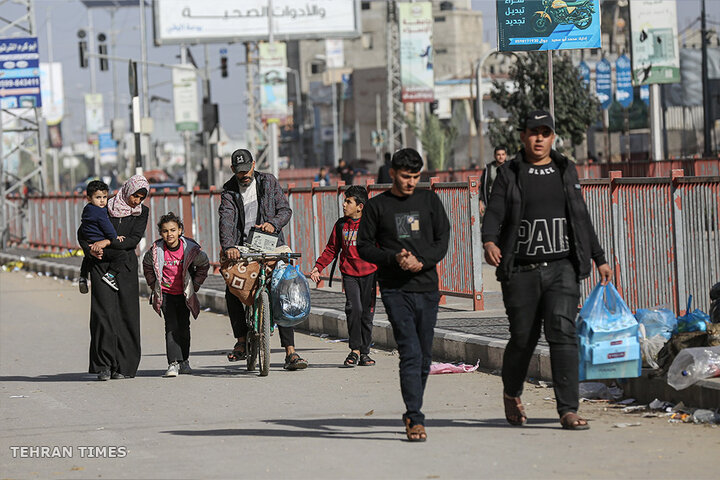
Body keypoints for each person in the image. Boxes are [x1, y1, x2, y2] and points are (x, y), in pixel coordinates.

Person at [481, 110, 613, 430]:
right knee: (523, 338)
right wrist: (489, 241)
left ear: (553, 137)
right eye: (533, 132)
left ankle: (568, 409)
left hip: (562, 267)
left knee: (563, 333)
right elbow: (495, 210)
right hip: (521, 270)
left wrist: (599, 257)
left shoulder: (565, 169)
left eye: (545, 132)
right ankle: (511, 392)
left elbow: (580, 216)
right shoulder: (510, 172)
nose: (539, 138)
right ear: (523, 136)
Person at [357, 147, 450, 442]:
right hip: (396, 289)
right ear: (393, 173)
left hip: (427, 287)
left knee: (423, 357)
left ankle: (413, 411)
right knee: (409, 352)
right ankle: (415, 416)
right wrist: (394, 257)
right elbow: (364, 247)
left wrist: (422, 262)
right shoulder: (377, 207)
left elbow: (442, 239)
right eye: (405, 176)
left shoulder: (429, 200)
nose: (410, 182)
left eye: (415, 177)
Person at [219, 148, 309, 371]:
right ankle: (241, 341)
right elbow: (226, 221)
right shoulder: (229, 191)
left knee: (282, 288)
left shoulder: (268, 182)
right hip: (242, 248)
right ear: (233, 171)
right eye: (239, 172)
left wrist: (274, 224)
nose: (244, 175)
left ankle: (290, 352)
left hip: (272, 244)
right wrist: (229, 247)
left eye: (247, 169)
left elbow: (285, 210)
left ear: (253, 164)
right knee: (231, 288)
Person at [78, 175, 150, 381]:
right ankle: (104, 366)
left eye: (141, 198)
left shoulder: (141, 213)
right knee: (103, 315)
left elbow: (133, 240)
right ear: (127, 190)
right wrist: (91, 250)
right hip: (100, 265)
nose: (136, 201)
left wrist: (106, 243)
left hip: (125, 267)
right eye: (135, 196)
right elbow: (83, 233)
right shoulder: (103, 205)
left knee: (127, 314)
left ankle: (124, 365)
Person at [310, 186, 378, 368]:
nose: (344, 204)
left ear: (360, 206)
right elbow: (332, 249)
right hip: (349, 275)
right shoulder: (341, 224)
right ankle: (354, 350)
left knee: (367, 314)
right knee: (353, 309)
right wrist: (318, 267)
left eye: (349, 201)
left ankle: (364, 353)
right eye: (345, 200)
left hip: (370, 275)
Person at [143, 212, 210, 377]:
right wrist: (154, 285)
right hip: (166, 294)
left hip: (184, 294)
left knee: (184, 327)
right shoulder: (156, 250)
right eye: (165, 231)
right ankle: (173, 363)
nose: (169, 234)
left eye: (173, 230)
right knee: (171, 327)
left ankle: (184, 361)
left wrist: (195, 285)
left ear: (180, 230)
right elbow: (146, 265)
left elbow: (204, 264)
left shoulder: (190, 250)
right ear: (161, 233)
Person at [77, 180, 128, 294]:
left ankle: (83, 277)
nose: (102, 201)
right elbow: (107, 226)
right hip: (100, 244)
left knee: (88, 258)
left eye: (104, 197)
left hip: (89, 242)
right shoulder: (100, 212)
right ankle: (110, 275)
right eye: (98, 197)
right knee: (122, 255)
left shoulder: (87, 209)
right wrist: (115, 237)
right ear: (89, 198)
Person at [479, 146, 507, 215]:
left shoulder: (511, 168)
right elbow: (482, 185)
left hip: (507, 201)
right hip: (492, 201)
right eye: (498, 154)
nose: (501, 157)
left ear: (506, 155)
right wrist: (480, 202)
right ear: (494, 156)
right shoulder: (488, 168)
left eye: (503, 154)